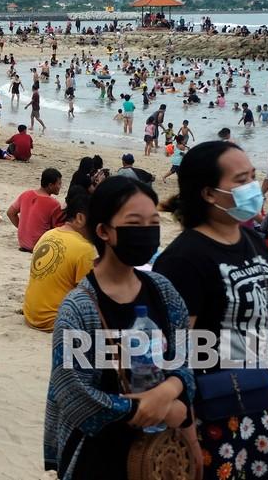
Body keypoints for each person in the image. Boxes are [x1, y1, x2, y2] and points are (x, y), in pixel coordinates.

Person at [154, 141, 268, 480]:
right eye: (241, 180)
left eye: (253, 176)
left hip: (260, 404)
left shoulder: (254, 243)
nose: (253, 187)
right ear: (209, 193)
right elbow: (174, 355)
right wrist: (188, 433)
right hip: (212, 413)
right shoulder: (183, 259)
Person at [43, 176, 197, 479]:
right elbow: (74, 394)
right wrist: (158, 410)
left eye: (154, 221)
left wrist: (170, 388)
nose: (147, 231)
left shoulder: (163, 291)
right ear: (103, 231)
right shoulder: (79, 307)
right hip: (96, 455)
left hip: (157, 455)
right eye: (134, 222)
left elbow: (187, 357)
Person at [22, 187, 95, 332]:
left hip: (31, 314)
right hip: (55, 321)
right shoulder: (84, 249)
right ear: (80, 218)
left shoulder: (48, 234)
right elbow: (88, 297)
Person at [7, 168, 64, 251]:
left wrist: (22, 228)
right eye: (59, 184)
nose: (60, 187)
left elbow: (10, 213)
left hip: (23, 242)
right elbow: (58, 227)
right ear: (50, 185)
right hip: (39, 245)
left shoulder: (26, 194)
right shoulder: (54, 204)